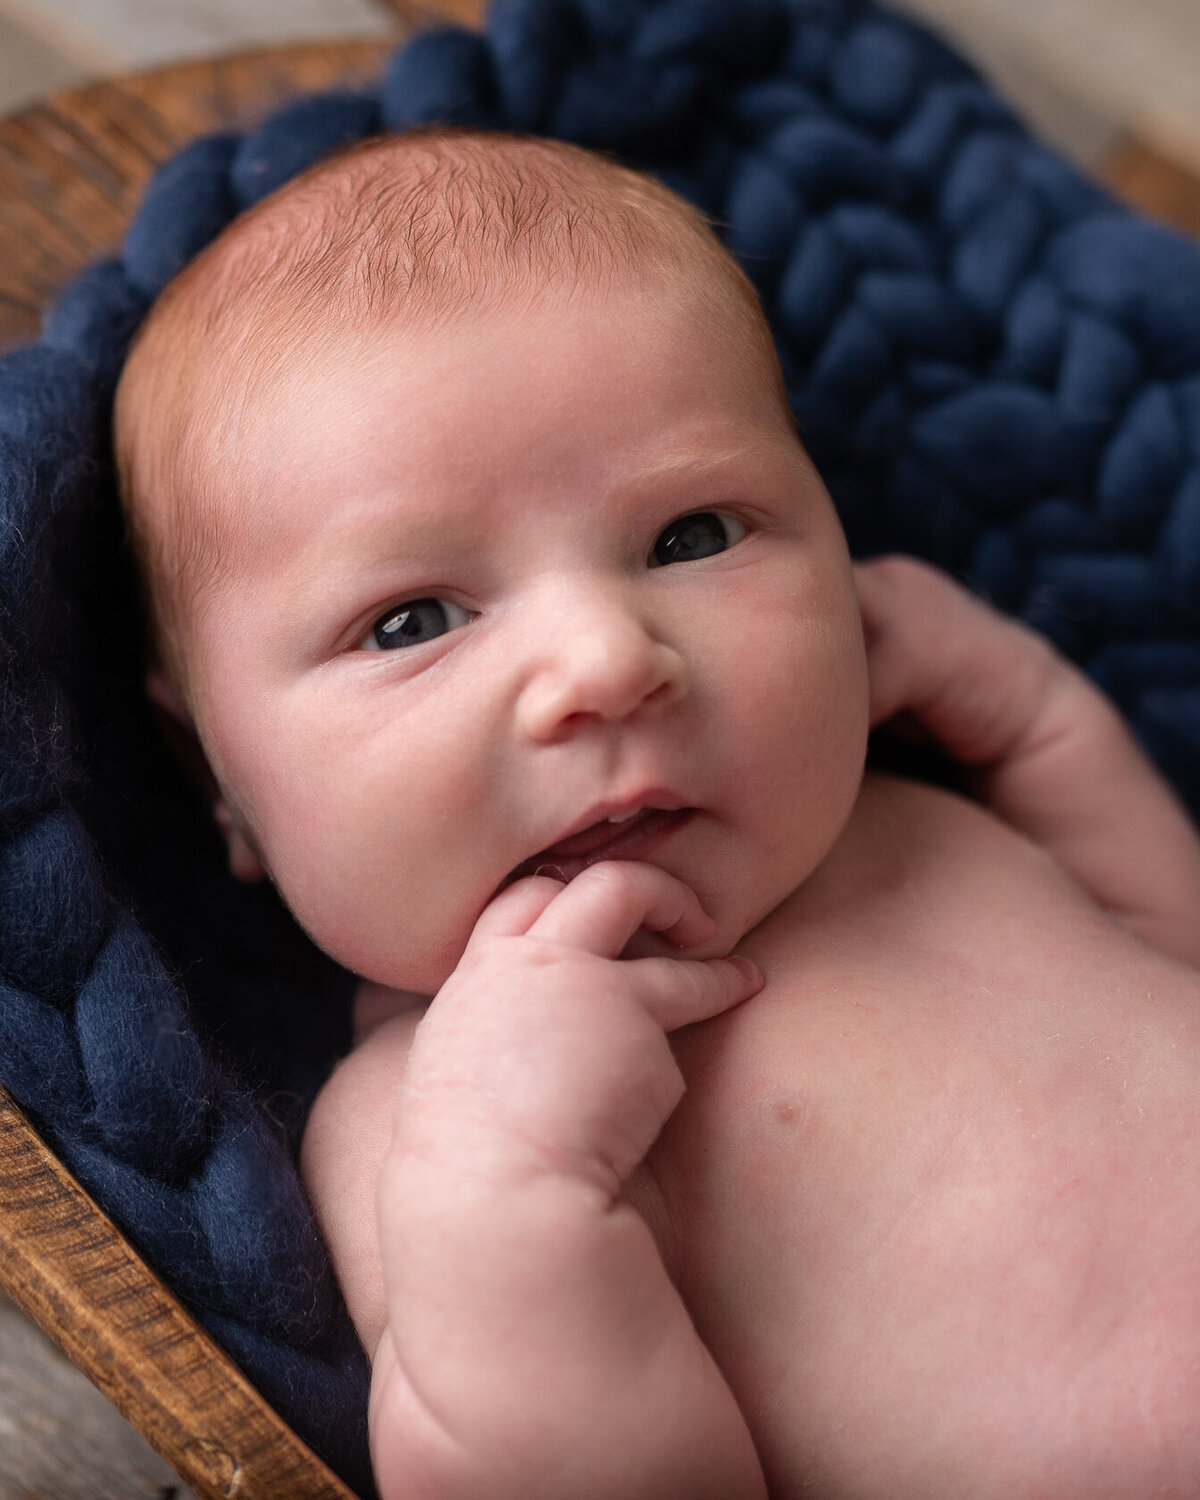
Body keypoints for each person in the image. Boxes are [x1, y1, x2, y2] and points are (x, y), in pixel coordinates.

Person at [112, 127, 1200, 1499]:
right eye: (412, 619)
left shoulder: (913, 820)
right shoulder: (429, 1124)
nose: (608, 660)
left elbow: (1165, 970)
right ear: (223, 786)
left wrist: (1036, 716)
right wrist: (517, 1195)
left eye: (695, 536)